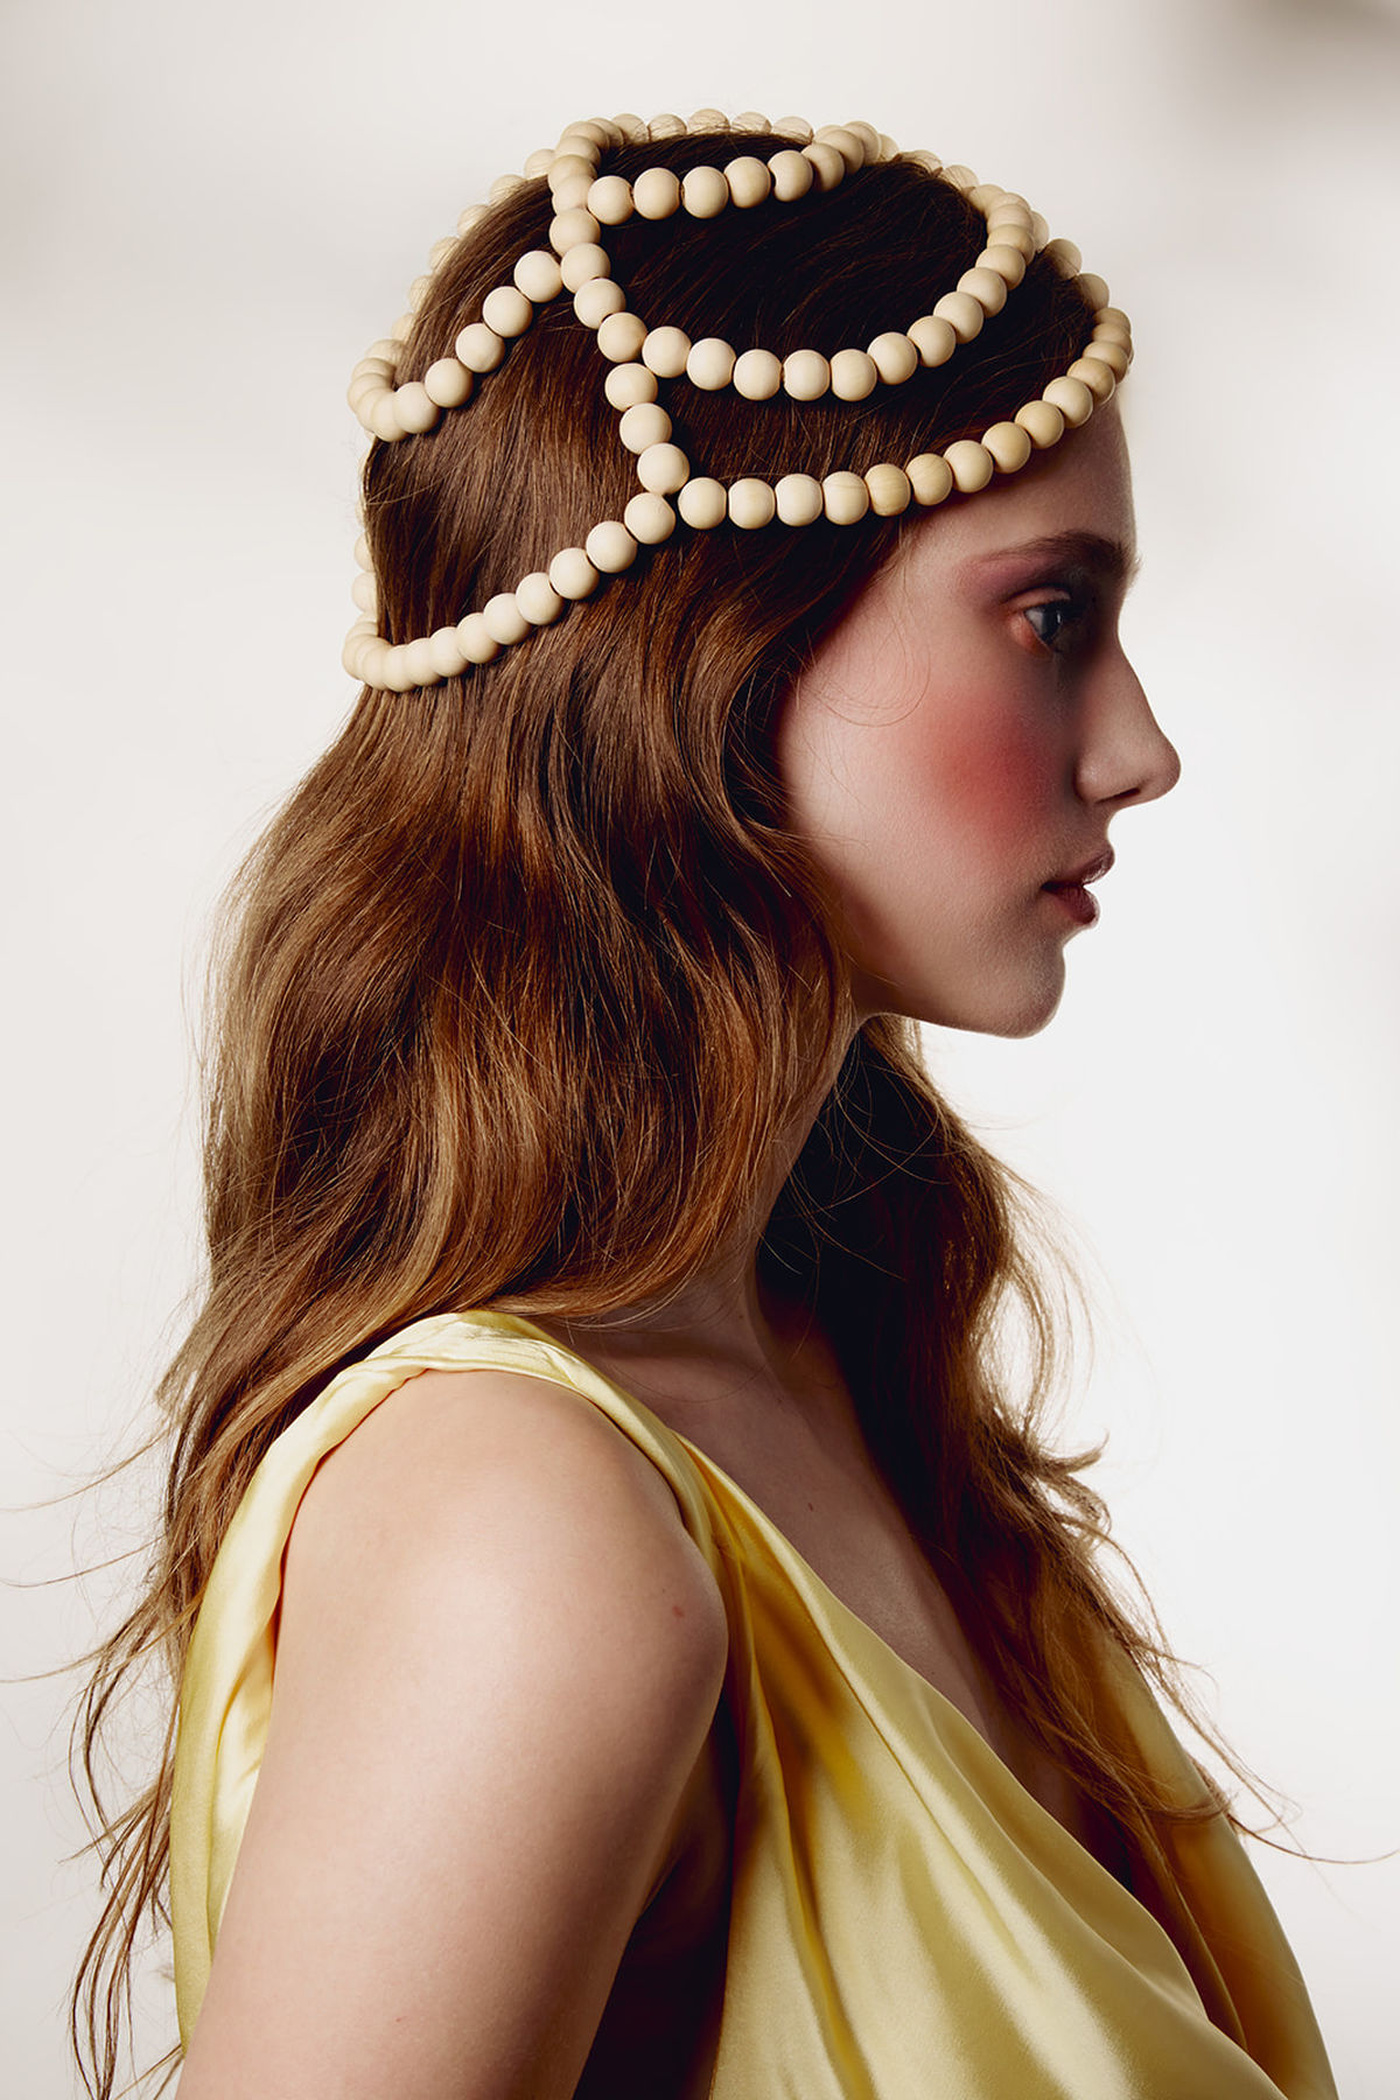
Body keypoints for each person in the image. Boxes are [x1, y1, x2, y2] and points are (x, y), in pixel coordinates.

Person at [74, 109, 1339, 2099]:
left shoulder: (847, 1377)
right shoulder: (526, 1523)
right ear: (716, 655)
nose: (1139, 746)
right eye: (1050, 617)